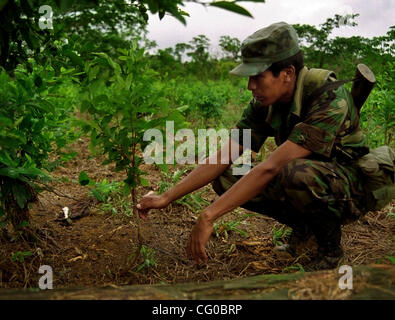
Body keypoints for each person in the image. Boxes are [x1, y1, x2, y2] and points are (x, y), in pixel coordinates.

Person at [137, 22, 393, 271]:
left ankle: (330, 251)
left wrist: (208, 216)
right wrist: (166, 197)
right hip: (313, 178)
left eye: (258, 77)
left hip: (352, 186)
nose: (251, 86)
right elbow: (225, 155)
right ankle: (304, 228)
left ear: (288, 73)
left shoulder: (329, 95)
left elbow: (273, 167)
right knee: (228, 175)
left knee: (295, 173)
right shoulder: (264, 103)